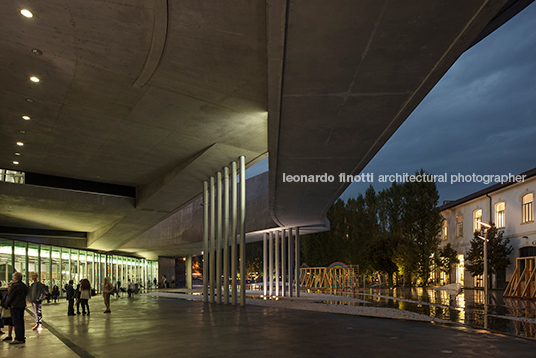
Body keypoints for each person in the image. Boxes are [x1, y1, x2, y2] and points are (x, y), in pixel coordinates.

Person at [5, 272, 28, 345]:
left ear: (15, 278)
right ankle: (22, 337)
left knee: (16, 322)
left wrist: (7, 304)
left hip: (15, 306)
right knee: (21, 322)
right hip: (21, 306)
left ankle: (18, 338)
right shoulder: (23, 286)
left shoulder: (14, 286)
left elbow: (10, 296)